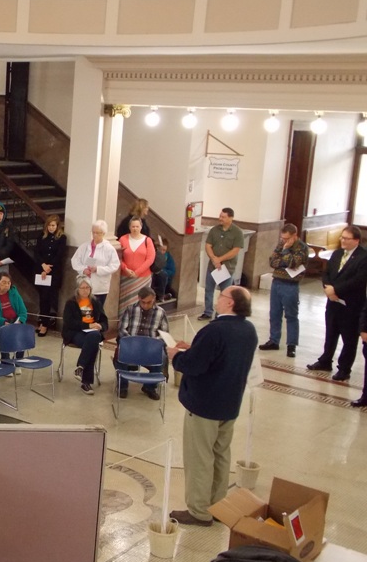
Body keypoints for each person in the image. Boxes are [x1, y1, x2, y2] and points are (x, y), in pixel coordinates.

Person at [166, 286, 257, 526]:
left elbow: (194, 366)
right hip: (230, 403)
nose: (218, 298)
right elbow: (221, 358)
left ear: (230, 303)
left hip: (205, 404)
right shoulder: (248, 330)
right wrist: (193, 349)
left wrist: (176, 355)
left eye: (222, 295)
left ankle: (198, 511)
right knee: (220, 455)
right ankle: (218, 505)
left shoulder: (214, 330)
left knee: (200, 458)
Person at [307, 225, 367, 380]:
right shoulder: (337, 253)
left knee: (349, 338)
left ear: (356, 240)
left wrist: (335, 290)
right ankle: (325, 361)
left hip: (351, 304)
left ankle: (344, 369)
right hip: (333, 302)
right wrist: (327, 288)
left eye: (347, 238)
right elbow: (326, 272)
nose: (343, 241)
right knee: (330, 333)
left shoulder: (363, 257)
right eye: (342, 237)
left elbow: (358, 280)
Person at [258, 224, 309, 358]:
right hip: (277, 282)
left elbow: (293, 263)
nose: (283, 241)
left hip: (290, 285)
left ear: (294, 236)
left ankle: (291, 345)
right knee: (274, 313)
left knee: (291, 315)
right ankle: (274, 340)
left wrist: (285, 251)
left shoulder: (302, 248)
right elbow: (272, 261)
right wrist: (284, 260)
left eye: (286, 238)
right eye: (282, 238)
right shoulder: (281, 244)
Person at [115, 286, 169, 400]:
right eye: (143, 302)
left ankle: (150, 387)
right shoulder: (130, 309)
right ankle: (122, 386)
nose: (146, 305)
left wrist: (154, 343)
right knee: (120, 353)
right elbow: (122, 329)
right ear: (139, 298)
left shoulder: (161, 312)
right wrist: (131, 342)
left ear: (154, 299)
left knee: (162, 357)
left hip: (151, 347)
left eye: (149, 302)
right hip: (132, 345)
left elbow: (165, 334)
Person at [62, 276, 108, 395]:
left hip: (92, 333)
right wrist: (88, 326)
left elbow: (105, 321)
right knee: (93, 345)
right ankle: (86, 382)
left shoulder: (95, 302)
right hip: (75, 332)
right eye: (82, 288)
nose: (85, 290)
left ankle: (80, 368)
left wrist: (100, 326)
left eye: (87, 287)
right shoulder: (71, 303)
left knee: (94, 338)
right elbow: (69, 322)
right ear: (77, 289)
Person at [198, 208, 244, 321]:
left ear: (230, 218)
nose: (220, 219)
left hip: (227, 268)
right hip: (212, 266)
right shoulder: (214, 230)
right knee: (209, 289)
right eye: (220, 216)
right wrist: (214, 259)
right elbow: (208, 246)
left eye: (223, 217)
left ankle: (220, 314)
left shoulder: (237, 232)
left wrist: (220, 259)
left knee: (225, 293)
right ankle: (208, 312)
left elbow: (235, 250)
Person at [71, 220, 120, 311]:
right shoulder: (84, 246)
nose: (95, 235)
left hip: (99, 286)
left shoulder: (109, 248)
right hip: (84, 284)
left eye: (98, 233)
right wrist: (83, 270)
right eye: (93, 232)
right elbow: (75, 261)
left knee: (97, 310)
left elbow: (114, 265)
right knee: (83, 310)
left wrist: (98, 269)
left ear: (103, 233)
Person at [0, 271, 27, 365]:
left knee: (23, 332)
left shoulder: (14, 292)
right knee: (4, 332)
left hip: (15, 321)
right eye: (4, 282)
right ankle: (5, 360)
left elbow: (23, 311)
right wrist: (4, 322)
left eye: (9, 282)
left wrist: (20, 321)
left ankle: (18, 361)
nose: (7, 285)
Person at [33, 215, 67, 337]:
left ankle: (45, 324)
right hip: (41, 270)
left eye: (53, 225)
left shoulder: (62, 238)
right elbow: (37, 252)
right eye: (49, 225)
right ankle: (42, 321)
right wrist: (43, 265)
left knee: (48, 298)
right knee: (42, 298)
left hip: (53, 272)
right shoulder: (42, 236)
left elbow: (59, 255)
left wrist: (48, 268)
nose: (51, 228)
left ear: (57, 226)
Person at [118, 217, 156, 320]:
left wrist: (137, 272)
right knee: (126, 303)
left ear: (141, 227)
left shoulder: (147, 240)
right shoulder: (123, 239)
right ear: (129, 227)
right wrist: (125, 269)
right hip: (126, 278)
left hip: (142, 278)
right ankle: (124, 321)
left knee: (142, 301)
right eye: (133, 226)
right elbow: (118, 257)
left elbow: (150, 259)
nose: (135, 228)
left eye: (137, 226)